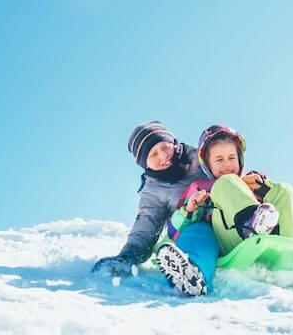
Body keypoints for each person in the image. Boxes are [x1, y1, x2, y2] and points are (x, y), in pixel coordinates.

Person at [155, 124, 293, 288]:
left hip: (279, 241)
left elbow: (283, 200)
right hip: (229, 242)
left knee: (292, 203)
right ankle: (193, 273)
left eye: (232, 158)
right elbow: (174, 231)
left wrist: (264, 189)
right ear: (207, 165)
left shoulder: (254, 180)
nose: (227, 165)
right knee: (199, 231)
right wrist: (190, 210)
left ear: (240, 161)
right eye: (219, 160)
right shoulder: (200, 187)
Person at [91, 121, 218, 296]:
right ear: (145, 163)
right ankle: (192, 274)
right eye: (153, 154)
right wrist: (129, 255)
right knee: (198, 232)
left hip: (229, 215)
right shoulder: (153, 191)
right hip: (196, 226)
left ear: (173, 143)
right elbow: (147, 223)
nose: (163, 156)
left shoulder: (201, 157)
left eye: (165, 147)